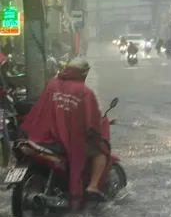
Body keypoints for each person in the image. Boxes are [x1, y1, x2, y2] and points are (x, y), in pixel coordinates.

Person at [20, 58, 110, 208]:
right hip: (68, 140)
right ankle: (92, 186)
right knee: (101, 151)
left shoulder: (51, 84)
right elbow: (92, 122)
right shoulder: (85, 92)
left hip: (42, 137)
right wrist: (99, 128)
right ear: (84, 73)